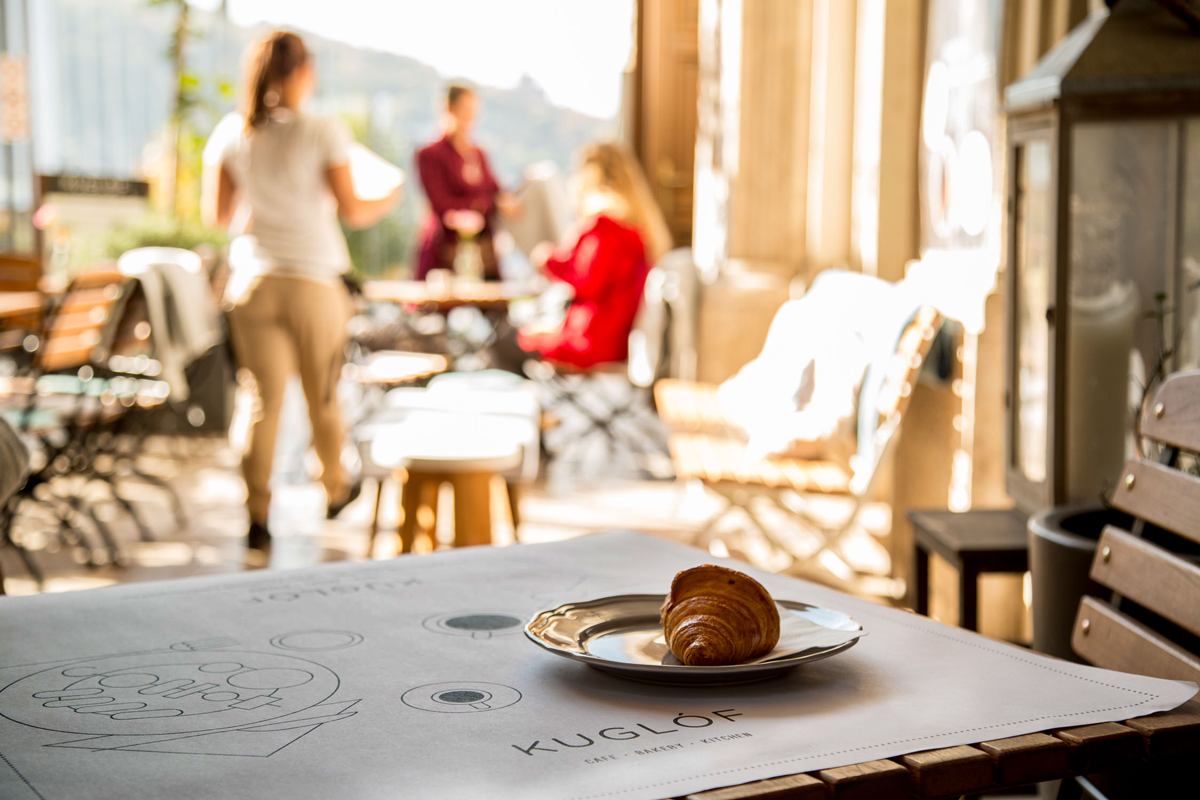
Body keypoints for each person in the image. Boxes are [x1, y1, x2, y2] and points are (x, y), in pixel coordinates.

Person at [201, 31, 399, 553]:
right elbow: (354, 209)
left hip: (254, 282)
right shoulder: (321, 130)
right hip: (314, 282)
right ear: (302, 72)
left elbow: (217, 216)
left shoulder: (232, 131)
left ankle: (257, 515)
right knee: (323, 397)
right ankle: (334, 490)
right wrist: (390, 195)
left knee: (261, 400)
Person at [493, 142, 672, 371]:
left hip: (593, 343)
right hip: (616, 339)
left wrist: (549, 261)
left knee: (504, 341)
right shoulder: (638, 226)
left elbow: (587, 282)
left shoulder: (604, 224)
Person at [415, 85, 519, 281]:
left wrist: (503, 201)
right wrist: (483, 204)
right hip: (446, 249)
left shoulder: (479, 153)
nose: (470, 117)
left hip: (484, 250)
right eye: (464, 109)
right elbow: (441, 204)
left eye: (473, 111)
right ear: (449, 110)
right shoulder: (430, 154)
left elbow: (496, 190)